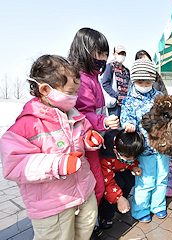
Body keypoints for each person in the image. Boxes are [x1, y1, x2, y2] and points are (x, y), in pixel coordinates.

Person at [0, 55, 104, 240]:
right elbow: (14, 164)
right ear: (46, 89)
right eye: (70, 92)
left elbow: (83, 133)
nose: (75, 97)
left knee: (84, 231)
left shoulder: (75, 115)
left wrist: (89, 140)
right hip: (53, 204)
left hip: (83, 193)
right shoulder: (27, 125)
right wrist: (57, 165)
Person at [68, 27, 120, 239]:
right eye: (98, 54)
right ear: (83, 51)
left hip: (95, 139)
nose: (102, 59)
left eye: (105, 55)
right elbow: (83, 113)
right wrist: (103, 120)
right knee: (95, 185)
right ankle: (86, 228)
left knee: (95, 184)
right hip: (86, 141)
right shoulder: (80, 80)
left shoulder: (93, 78)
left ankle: (90, 224)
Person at [121, 58, 170, 223]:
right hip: (145, 150)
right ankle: (141, 209)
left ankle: (158, 206)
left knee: (162, 178)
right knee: (145, 180)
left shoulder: (160, 96)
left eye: (148, 80)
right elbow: (126, 116)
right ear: (134, 80)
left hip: (162, 147)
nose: (144, 84)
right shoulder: (129, 100)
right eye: (140, 81)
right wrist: (128, 123)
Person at [98, 129, 145, 229]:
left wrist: (134, 166)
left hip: (121, 171)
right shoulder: (106, 157)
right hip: (109, 177)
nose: (131, 161)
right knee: (116, 187)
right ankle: (106, 217)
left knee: (129, 180)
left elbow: (132, 161)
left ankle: (121, 205)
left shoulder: (128, 150)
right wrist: (118, 198)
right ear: (115, 152)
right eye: (128, 160)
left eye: (133, 158)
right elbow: (107, 182)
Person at [101, 45, 130, 117]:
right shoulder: (110, 66)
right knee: (114, 126)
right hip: (115, 104)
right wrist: (116, 96)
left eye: (123, 54)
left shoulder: (126, 70)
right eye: (119, 53)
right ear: (114, 54)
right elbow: (105, 84)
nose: (121, 55)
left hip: (125, 104)